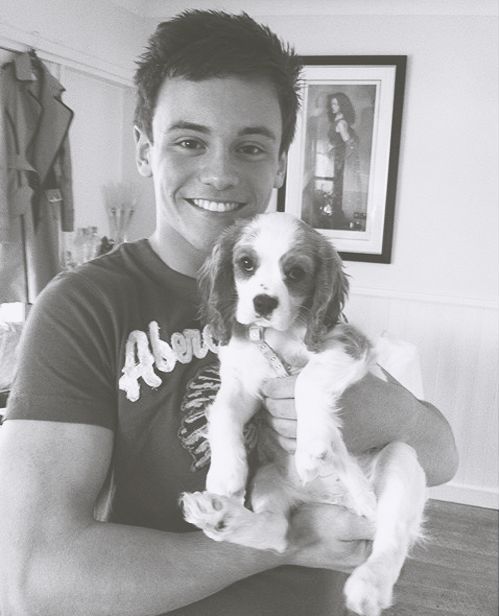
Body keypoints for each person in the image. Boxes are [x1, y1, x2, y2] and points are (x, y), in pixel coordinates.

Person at [0, 10, 457, 616]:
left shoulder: (298, 286)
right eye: (189, 141)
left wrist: (384, 409)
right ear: (144, 150)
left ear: (280, 162)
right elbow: (33, 582)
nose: (219, 173)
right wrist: (283, 541)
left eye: (250, 146)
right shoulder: (82, 307)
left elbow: (442, 458)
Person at [325, 92, 363, 229]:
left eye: (335, 103)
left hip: (339, 161)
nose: (332, 106)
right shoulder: (337, 121)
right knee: (335, 189)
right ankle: (336, 217)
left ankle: (339, 219)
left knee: (338, 189)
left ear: (342, 105)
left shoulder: (341, 123)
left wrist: (335, 152)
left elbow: (350, 144)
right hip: (336, 160)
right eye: (332, 103)